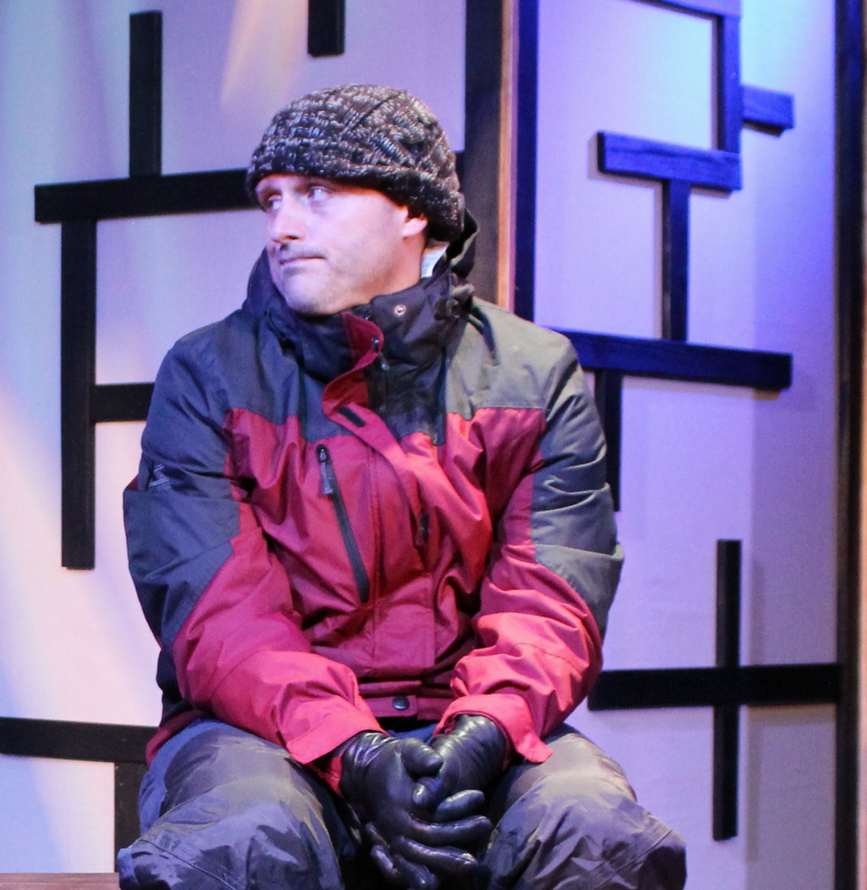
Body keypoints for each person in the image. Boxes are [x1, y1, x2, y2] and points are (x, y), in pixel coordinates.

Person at [116, 85, 687, 890]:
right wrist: (354, 749)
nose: (282, 225)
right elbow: (217, 615)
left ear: (413, 211)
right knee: (242, 839)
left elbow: (553, 595)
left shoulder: (532, 373)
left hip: (474, 725)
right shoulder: (206, 375)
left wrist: (481, 736)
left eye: (317, 193)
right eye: (272, 199)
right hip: (267, 735)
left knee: (590, 831)